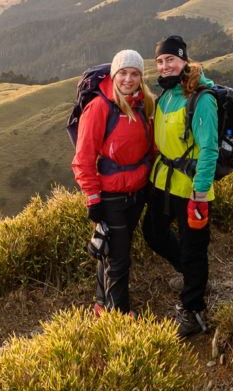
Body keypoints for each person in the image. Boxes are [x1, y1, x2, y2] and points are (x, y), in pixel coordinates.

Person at [142, 34, 217, 337]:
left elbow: (209, 149)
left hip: (190, 187)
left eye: (170, 59)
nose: (165, 65)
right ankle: (190, 275)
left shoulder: (201, 98)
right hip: (163, 182)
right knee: (153, 233)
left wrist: (199, 196)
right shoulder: (167, 96)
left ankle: (193, 311)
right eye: (160, 61)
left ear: (184, 60)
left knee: (194, 247)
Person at [71, 49, 155, 315]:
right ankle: (120, 318)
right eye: (123, 73)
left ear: (141, 77)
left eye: (134, 74)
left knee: (109, 248)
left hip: (137, 191)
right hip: (111, 195)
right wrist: (93, 200)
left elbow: (149, 147)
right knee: (119, 258)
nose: (128, 79)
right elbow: (83, 159)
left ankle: (100, 305)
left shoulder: (144, 102)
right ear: (113, 74)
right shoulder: (99, 107)